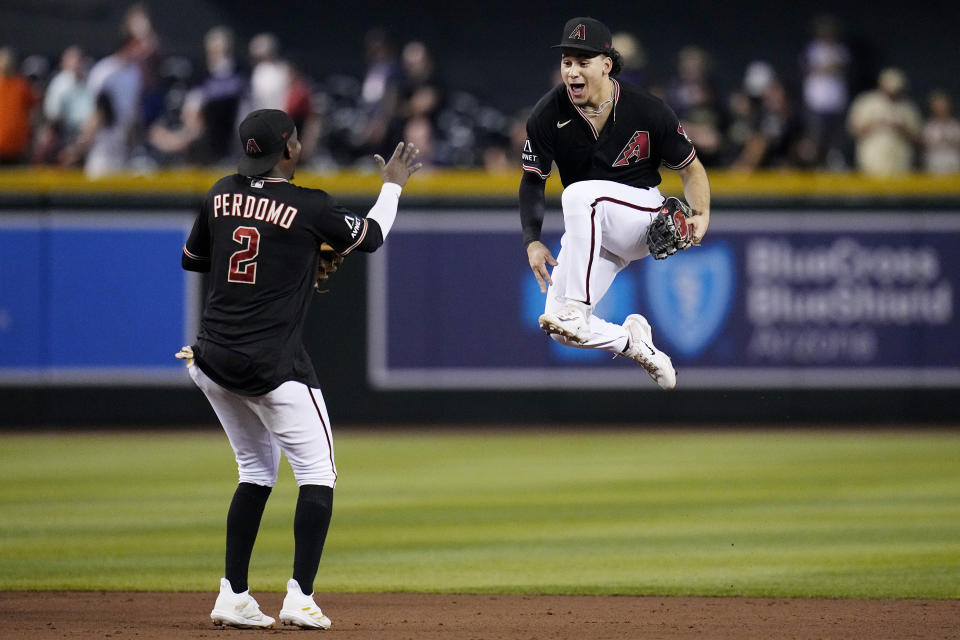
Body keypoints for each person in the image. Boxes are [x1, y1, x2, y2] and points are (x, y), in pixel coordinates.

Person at [178, 109, 421, 629]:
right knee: (318, 473)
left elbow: (194, 259)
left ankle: (234, 594)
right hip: (269, 364)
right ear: (289, 148)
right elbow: (372, 236)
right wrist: (393, 186)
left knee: (255, 471)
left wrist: (283, 257)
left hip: (210, 358)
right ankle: (300, 597)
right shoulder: (308, 205)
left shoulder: (220, 191)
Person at [520, 17, 711, 390]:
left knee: (577, 195)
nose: (572, 71)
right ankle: (633, 342)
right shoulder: (547, 115)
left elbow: (691, 168)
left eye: (582, 61)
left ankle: (579, 307)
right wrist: (532, 239)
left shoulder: (646, 109)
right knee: (558, 326)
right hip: (594, 229)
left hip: (641, 216)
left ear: (606, 64)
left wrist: (702, 214)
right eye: (567, 62)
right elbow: (532, 181)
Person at [847, 67, 922, 175]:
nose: (893, 92)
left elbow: (917, 138)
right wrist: (876, 123)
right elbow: (854, 131)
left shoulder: (908, 107)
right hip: (871, 157)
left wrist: (901, 129)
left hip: (900, 160)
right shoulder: (866, 102)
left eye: (896, 89)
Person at [921, 89, 960, 174]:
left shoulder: (955, 125)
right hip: (935, 163)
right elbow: (924, 144)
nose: (941, 109)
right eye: (938, 106)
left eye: (943, 106)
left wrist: (950, 140)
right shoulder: (929, 126)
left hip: (954, 163)